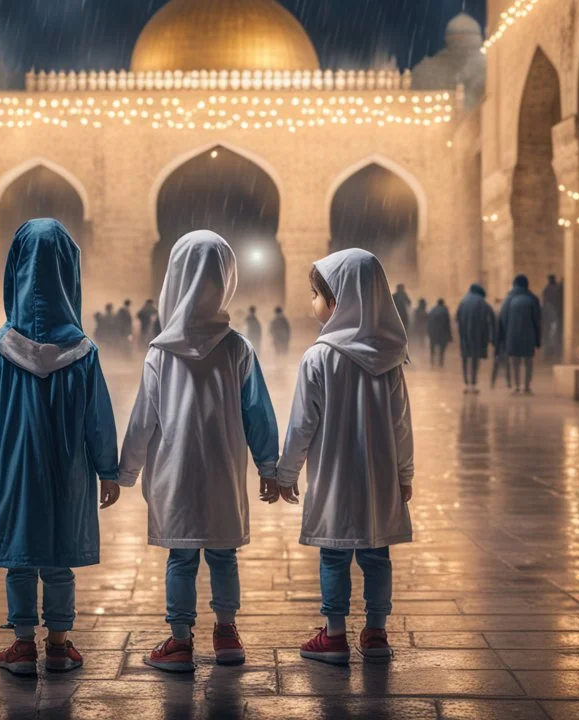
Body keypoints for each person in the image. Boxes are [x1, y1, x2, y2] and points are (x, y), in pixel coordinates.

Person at [0, 219, 120, 676]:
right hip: (67, 469)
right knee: (57, 554)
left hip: (14, 467)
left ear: (15, 271)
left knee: (20, 552)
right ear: (70, 274)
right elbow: (98, 418)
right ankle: (58, 641)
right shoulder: (83, 353)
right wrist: (107, 470)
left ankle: (22, 644)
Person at [119, 231, 279, 673]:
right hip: (224, 471)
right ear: (225, 279)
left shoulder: (160, 353)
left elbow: (142, 420)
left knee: (182, 556)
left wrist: (124, 472)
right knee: (224, 553)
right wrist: (269, 466)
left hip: (176, 472)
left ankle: (180, 640)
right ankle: (226, 633)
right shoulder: (237, 348)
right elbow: (258, 413)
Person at [277, 249, 413, 665]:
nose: (311, 302)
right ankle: (375, 633)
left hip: (335, 476)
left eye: (315, 294)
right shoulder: (388, 359)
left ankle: (334, 635)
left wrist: (286, 472)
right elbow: (401, 425)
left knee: (334, 552)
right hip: (378, 476)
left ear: (339, 300)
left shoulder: (319, 357)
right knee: (376, 553)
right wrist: (404, 473)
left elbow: (303, 423)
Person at [498, 274, 541, 394]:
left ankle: (516, 386)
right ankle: (526, 386)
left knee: (515, 361)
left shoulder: (508, 299)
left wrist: (503, 338)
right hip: (529, 335)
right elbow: (537, 321)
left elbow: (503, 319)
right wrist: (538, 340)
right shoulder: (533, 299)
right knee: (528, 361)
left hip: (512, 335)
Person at [455, 284, 495, 394]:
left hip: (464, 336)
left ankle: (466, 384)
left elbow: (456, 318)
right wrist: (493, 337)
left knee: (465, 358)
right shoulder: (482, 302)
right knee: (474, 360)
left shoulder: (463, 302)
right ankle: (473, 384)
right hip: (478, 336)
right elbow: (492, 318)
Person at [541, 275, 564, 362]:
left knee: (551, 337)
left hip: (553, 315)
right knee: (554, 336)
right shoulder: (555, 288)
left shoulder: (548, 289)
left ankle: (550, 355)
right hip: (556, 314)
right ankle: (553, 354)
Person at [490, 298, 509, 389]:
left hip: (499, 344)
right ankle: (508, 383)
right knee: (506, 364)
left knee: (497, 365)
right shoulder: (504, 315)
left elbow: (495, 332)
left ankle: (493, 383)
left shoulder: (496, 315)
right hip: (503, 344)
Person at [426, 298, 452, 367]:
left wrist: (429, 332)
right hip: (442, 333)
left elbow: (428, 323)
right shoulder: (445, 311)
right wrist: (449, 336)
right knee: (442, 349)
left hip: (433, 332)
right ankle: (441, 362)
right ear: (443, 303)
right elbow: (447, 324)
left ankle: (432, 362)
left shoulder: (432, 310)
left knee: (432, 348)